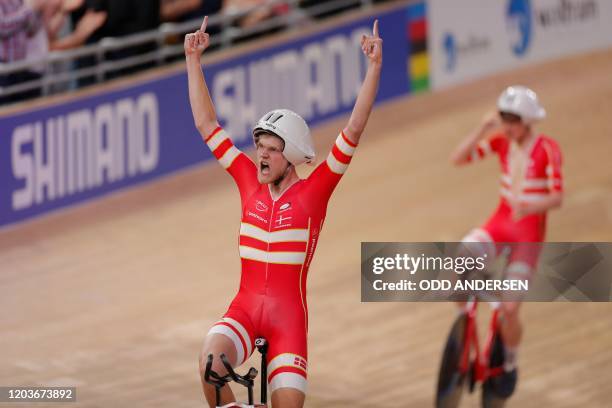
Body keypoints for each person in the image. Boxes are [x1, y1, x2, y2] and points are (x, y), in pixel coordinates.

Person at [185, 15, 382, 408]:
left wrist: (374, 67)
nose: (259, 154)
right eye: (259, 145)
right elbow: (207, 123)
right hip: (244, 311)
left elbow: (355, 128)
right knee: (210, 363)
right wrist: (193, 60)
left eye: (271, 149)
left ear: (290, 156)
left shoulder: (315, 193)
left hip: (288, 323)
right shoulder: (246, 179)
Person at [450, 85, 563, 398]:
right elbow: (458, 158)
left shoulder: (547, 149)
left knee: (511, 309)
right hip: (500, 225)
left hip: (528, 236)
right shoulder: (501, 142)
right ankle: (462, 330)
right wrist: (483, 128)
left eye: (513, 121)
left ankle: (510, 362)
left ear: (527, 121)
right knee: (459, 260)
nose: (508, 127)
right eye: (505, 120)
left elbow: (557, 196)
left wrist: (530, 207)